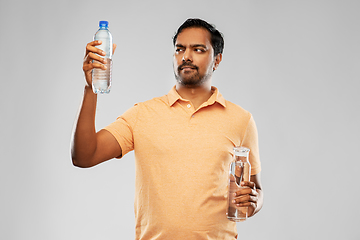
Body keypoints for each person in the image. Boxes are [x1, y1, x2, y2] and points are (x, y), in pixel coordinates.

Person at [72, 18, 263, 240]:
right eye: (179, 49)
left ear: (217, 60)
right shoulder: (142, 114)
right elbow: (84, 156)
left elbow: (256, 190)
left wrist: (254, 201)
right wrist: (90, 88)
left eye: (198, 49)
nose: (186, 56)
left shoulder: (241, 120)